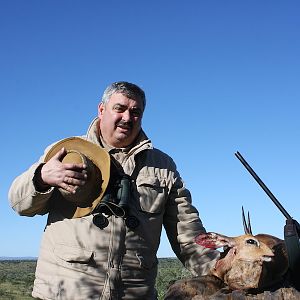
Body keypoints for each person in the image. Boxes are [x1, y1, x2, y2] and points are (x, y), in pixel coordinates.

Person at [9, 81, 219, 300]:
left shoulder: (163, 166)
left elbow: (187, 232)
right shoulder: (67, 151)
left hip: (134, 293)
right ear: (102, 110)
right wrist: (41, 177)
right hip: (65, 293)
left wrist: (222, 270)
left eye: (135, 112)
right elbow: (18, 202)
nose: (127, 118)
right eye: (119, 109)